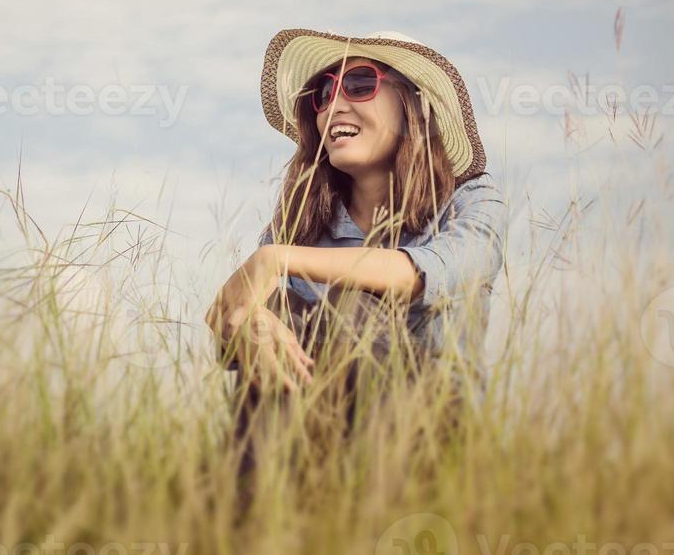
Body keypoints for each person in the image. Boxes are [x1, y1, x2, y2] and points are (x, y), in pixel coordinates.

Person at [205, 29, 507, 481]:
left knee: (353, 304)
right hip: (310, 437)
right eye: (323, 93)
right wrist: (252, 323)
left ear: (412, 108)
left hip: (432, 441)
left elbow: (428, 272)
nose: (334, 105)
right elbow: (231, 310)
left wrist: (277, 259)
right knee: (280, 311)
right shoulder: (298, 224)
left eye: (360, 83)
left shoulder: (471, 201)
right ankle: (251, 521)